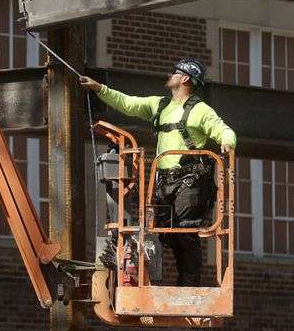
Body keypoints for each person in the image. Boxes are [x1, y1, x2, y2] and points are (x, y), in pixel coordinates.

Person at [80, 58, 236, 287]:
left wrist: (227, 143)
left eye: (175, 71)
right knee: (166, 233)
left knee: (185, 232)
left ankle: (189, 286)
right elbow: (128, 103)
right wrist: (99, 88)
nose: (170, 74)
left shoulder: (200, 110)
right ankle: (183, 281)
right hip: (164, 182)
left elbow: (224, 130)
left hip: (190, 182)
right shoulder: (160, 105)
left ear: (185, 78)